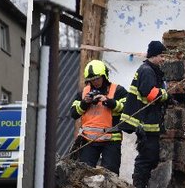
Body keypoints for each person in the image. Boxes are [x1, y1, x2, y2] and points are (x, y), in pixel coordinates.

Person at [119, 40, 170, 188]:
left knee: (150, 157)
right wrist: (167, 95)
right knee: (147, 158)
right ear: (153, 55)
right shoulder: (147, 70)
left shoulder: (149, 69)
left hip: (149, 123)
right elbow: (150, 93)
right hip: (145, 123)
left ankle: (141, 183)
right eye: (161, 56)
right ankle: (138, 185)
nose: (163, 59)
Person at [70, 60, 128, 175]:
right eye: (91, 80)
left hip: (111, 140)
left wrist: (109, 102)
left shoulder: (118, 91)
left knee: (111, 175)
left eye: (97, 78)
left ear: (104, 76)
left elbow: (127, 108)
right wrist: (84, 103)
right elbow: (73, 114)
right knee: (84, 175)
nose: (95, 82)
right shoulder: (84, 93)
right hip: (88, 140)